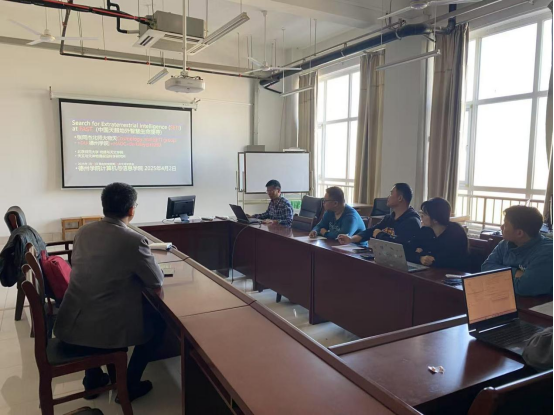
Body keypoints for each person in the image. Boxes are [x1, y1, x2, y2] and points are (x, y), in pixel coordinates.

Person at [54, 183, 165, 402]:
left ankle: (93, 380)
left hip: (70, 322)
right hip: (103, 330)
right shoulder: (134, 240)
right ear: (132, 210)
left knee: (94, 298)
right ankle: (128, 386)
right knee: (159, 324)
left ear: (104, 206)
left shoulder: (83, 232)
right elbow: (156, 280)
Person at [482, 206, 553, 296]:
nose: (501, 227)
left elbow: (524, 288)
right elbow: (485, 268)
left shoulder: (547, 251)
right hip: (504, 297)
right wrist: (516, 272)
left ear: (519, 233)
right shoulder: (505, 243)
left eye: (505, 225)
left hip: (537, 303)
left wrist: (496, 278)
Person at [337, 183, 421, 245]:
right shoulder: (389, 218)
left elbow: (399, 245)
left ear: (400, 198)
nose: (388, 197)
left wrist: (380, 235)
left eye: (391, 194)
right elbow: (370, 231)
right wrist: (351, 239)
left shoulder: (412, 221)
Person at [404, 198, 469, 269]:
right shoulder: (425, 230)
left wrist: (431, 259)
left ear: (435, 219)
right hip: (430, 272)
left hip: (453, 273)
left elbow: (453, 260)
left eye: (425, 214)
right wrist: (420, 258)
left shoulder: (456, 232)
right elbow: (408, 250)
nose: (421, 216)